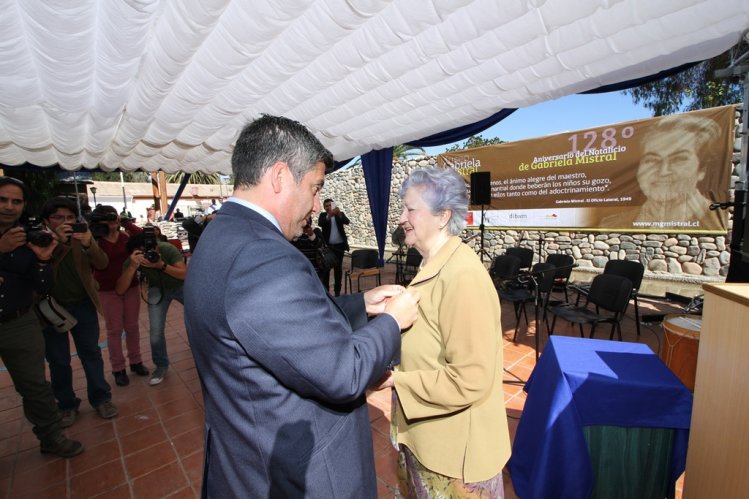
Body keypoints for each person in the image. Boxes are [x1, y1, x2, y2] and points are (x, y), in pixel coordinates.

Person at [183, 115, 420, 498]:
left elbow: (279, 328)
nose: (314, 204)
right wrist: (392, 322)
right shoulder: (261, 256)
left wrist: (361, 305)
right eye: (313, 188)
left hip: (247, 454)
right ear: (279, 177)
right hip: (297, 474)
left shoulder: (222, 235)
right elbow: (343, 373)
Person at [376, 167, 510, 497]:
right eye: (403, 208)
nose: (402, 218)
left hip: (453, 460)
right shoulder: (431, 265)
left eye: (411, 209)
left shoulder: (462, 276)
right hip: (428, 443)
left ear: (442, 216)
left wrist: (397, 380)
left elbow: (470, 378)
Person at [0, 177, 84, 458]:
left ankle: (51, 438)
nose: (9, 207)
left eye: (16, 201)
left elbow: (42, 284)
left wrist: (44, 258)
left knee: (35, 386)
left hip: (18, 322)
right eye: (3, 200)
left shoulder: (29, 235)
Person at [40, 197, 118, 427]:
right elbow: (40, 272)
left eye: (70, 217)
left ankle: (101, 398)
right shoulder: (41, 241)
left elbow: (102, 263)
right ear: (47, 221)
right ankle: (66, 404)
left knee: (91, 353)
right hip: (50, 307)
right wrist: (59, 243)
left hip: (82, 304)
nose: (65, 222)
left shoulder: (81, 237)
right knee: (58, 360)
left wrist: (89, 244)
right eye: (58, 218)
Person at [599, 114, 724, 229]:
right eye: (652, 160)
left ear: (702, 169)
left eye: (678, 159)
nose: (663, 171)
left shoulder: (717, 219)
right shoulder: (609, 224)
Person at [115, 229, 187, 386]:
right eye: (142, 253)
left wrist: (161, 265)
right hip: (157, 289)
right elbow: (120, 289)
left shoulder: (167, 248)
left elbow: (184, 274)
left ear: (157, 247)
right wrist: (133, 267)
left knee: (199, 319)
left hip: (182, 286)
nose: (148, 254)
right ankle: (161, 366)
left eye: (151, 250)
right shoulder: (134, 259)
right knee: (155, 331)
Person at [91, 205, 149, 387]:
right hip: (107, 290)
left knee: (132, 326)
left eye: (113, 218)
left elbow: (142, 235)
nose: (112, 222)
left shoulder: (125, 237)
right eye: (106, 219)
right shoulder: (95, 241)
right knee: (114, 329)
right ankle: (118, 368)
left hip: (130, 286)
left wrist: (126, 223)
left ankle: (136, 361)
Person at [317, 197, 350, 296]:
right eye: (326, 206)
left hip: (339, 248)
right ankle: (327, 293)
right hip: (328, 248)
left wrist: (338, 213)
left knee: (338, 270)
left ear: (333, 205)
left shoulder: (339, 214)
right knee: (326, 270)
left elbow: (347, 221)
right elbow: (321, 223)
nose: (328, 207)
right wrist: (330, 215)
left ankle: (337, 293)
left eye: (329, 205)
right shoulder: (323, 215)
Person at [291, 216, 326, 284]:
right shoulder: (296, 233)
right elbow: (292, 247)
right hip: (301, 268)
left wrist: (311, 234)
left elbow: (321, 245)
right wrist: (297, 234)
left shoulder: (316, 231)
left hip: (316, 268)